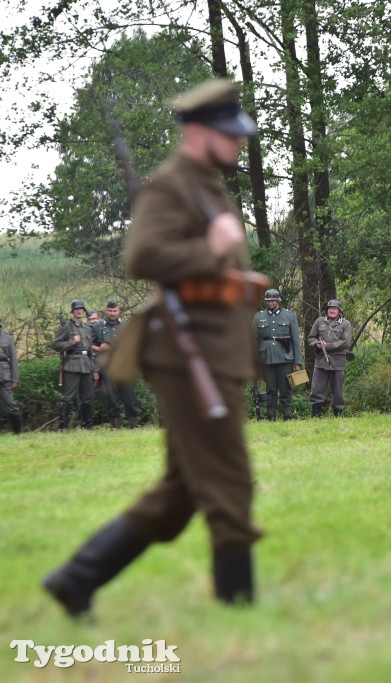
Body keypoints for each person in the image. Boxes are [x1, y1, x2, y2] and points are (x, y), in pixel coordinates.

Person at [43, 79, 262, 619]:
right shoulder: (171, 186)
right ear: (197, 132)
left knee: (181, 491)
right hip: (190, 357)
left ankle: (76, 579)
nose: (239, 144)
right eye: (228, 134)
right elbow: (143, 255)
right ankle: (242, 610)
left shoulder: (207, 184)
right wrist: (209, 248)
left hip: (212, 350)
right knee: (229, 479)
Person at [253, 289, 303, 420]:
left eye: (273, 300)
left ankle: (287, 415)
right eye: (269, 300)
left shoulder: (289, 316)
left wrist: (297, 361)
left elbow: (296, 340)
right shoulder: (259, 317)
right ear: (266, 301)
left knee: (286, 388)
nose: (271, 303)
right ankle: (271, 416)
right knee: (271, 389)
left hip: (285, 357)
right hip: (266, 358)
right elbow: (253, 339)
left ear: (278, 301)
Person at [91, 300, 141, 428]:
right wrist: (98, 348)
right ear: (105, 311)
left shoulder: (126, 325)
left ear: (119, 311)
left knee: (129, 395)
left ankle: (133, 424)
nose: (112, 313)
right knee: (111, 397)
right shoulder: (97, 326)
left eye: (114, 311)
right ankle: (116, 425)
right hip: (107, 366)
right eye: (110, 311)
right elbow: (86, 344)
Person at [51, 299, 98, 430]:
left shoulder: (87, 328)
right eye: (76, 309)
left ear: (84, 311)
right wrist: (71, 342)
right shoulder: (66, 326)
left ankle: (88, 425)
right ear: (72, 311)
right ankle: (63, 426)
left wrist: (94, 369)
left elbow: (90, 351)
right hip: (72, 364)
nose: (79, 311)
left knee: (87, 398)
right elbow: (55, 345)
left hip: (87, 365)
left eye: (81, 309)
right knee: (67, 397)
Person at [307, 299, 353, 416]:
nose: (332, 310)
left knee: (337, 390)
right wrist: (316, 343)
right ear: (327, 310)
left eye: (335, 309)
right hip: (321, 361)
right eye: (330, 308)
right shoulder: (319, 321)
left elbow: (345, 343)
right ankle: (316, 414)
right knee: (317, 389)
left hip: (338, 362)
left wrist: (328, 346)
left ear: (339, 312)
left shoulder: (345, 324)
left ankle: (338, 413)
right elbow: (311, 337)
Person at [0, 317, 22, 435]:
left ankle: (18, 431)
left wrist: (15, 378)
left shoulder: (7, 338)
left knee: (9, 403)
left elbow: (13, 359)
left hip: (4, 374)